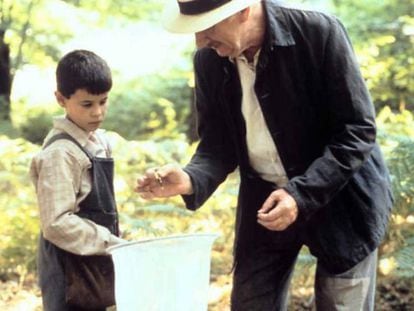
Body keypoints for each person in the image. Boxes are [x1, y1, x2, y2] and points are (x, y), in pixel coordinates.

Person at [136, 0, 394, 310]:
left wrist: (299, 194)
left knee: (343, 304)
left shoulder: (318, 32)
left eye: (208, 27)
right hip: (263, 199)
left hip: (342, 196)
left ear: (244, 10)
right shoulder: (208, 59)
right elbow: (217, 144)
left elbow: (357, 130)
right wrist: (191, 178)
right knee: (250, 304)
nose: (200, 40)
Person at [30, 49, 125, 310]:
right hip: (68, 270)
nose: (98, 112)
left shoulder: (98, 142)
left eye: (103, 101)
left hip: (94, 262)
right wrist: (112, 243)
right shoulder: (60, 153)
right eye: (87, 104)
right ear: (61, 99)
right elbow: (56, 223)